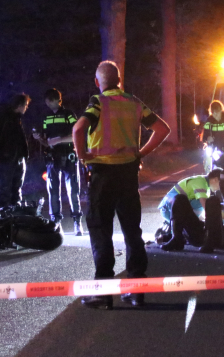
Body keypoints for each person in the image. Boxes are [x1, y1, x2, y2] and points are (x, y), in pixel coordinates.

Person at [73, 60, 170, 309]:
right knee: (132, 232)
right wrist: (140, 153)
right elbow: (162, 129)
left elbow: (78, 128)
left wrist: (83, 156)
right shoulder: (134, 102)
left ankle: (102, 293)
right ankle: (136, 291)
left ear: (98, 82)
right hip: (128, 174)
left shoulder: (97, 102)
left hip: (102, 175)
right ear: (119, 81)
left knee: (100, 230)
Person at [33, 88, 83, 235]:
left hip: (68, 155)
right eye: (46, 101)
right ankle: (55, 222)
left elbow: (77, 134)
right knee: (53, 191)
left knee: (73, 190)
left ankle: (77, 222)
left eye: (50, 100)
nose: (48, 103)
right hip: (52, 158)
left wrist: (59, 139)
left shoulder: (69, 114)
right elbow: (46, 141)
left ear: (57, 100)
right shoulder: (46, 117)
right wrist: (39, 138)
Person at [158, 169, 224, 253]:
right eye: (220, 184)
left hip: (187, 222)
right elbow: (205, 206)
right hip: (169, 210)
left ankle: (177, 237)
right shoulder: (201, 182)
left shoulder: (206, 188)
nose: (219, 188)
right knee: (180, 199)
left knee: (212, 201)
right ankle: (176, 239)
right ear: (215, 179)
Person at [0, 93, 31, 208]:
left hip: (18, 159)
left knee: (16, 190)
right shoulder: (3, 118)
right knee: (5, 190)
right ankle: (2, 218)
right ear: (20, 105)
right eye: (25, 105)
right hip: (6, 159)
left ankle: (15, 215)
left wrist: (24, 155)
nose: (26, 108)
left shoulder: (17, 119)